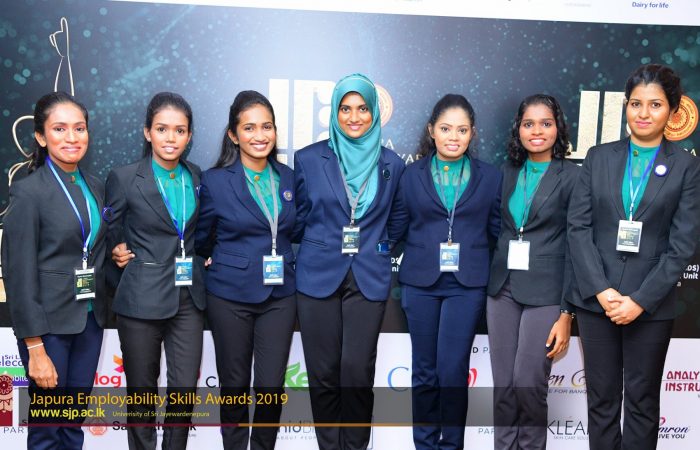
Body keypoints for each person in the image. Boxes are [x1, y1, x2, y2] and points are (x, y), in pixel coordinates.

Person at [568, 64, 700, 450]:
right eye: (636, 103)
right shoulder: (598, 157)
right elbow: (578, 229)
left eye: (655, 104)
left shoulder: (687, 167)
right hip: (597, 303)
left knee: (642, 403)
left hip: (650, 306)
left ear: (672, 111)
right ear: (625, 106)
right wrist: (601, 290)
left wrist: (640, 300)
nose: (643, 113)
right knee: (601, 402)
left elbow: (682, 245)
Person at [293, 73, 405, 450]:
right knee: (323, 373)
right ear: (334, 112)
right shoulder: (309, 159)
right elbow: (300, 216)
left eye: (362, 108)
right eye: (345, 108)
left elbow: (398, 219)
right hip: (318, 274)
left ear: (374, 112)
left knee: (356, 372)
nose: (354, 117)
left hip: (369, 275)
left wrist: (377, 246)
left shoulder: (392, 164)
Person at [388, 94, 502, 450]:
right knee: (424, 371)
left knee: (452, 371)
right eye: (446, 128)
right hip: (420, 284)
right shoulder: (410, 175)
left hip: (466, 286)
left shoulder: (491, 177)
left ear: (472, 134)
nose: (454, 137)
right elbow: (396, 228)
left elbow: (498, 232)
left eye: (462, 130)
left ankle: (452, 444)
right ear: (431, 131)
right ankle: (424, 444)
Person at [1, 92, 107, 449]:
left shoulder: (94, 185)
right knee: (47, 429)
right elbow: (18, 273)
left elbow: (93, 246)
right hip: (47, 329)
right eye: (60, 129)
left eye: (79, 128)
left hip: (89, 320)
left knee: (73, 423)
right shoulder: (28, 192)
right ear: (41, 137)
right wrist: (34, 346)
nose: (72, 137)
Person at [194, 90, 297, 450]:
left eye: (267, 126)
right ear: (234, 135)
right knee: (234, 385)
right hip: (230, 295)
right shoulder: (214, 181)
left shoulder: (289, 178)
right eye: (249, 127)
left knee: (270, 387)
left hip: (280, 295)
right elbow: (201, 236)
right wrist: (211, 256)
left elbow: (297, 229)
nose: (260, 135)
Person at [105, 92, 206, 450]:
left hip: (188, 299)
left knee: (184, 393)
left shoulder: (195, 175)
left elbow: (200, 230)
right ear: (147, 132)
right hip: (141, 298)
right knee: (142, 396)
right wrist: (117, 249)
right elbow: (110, 228)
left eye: (179, 130)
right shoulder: (124, 177)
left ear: (189, 136)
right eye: (162, 129)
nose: (170, 138)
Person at [486, 94, 579, 449]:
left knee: (528, 383)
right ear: (518, 129)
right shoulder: (507, 172)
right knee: (503, 387)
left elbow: (577, 246)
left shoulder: (573, 177)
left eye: (545, 123)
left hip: (547, 292)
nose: (537, 131)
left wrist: (566, 313)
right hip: (502, 289)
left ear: (558, 128)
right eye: (529, 124)